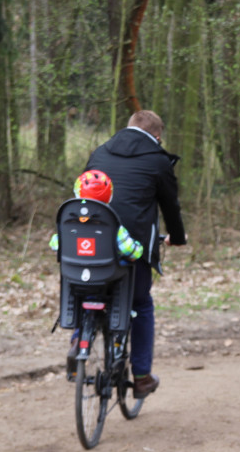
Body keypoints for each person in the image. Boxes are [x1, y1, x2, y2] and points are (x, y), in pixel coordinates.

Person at [85, 110, 188, 398]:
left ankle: (79, 342)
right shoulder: (158, 161)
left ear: (128, 127)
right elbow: (170, 207)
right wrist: (177, 238)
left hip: (89, 247)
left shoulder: (100, 152)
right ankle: (142, 377)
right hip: (132, 250)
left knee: (90, 292)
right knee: (141, 304)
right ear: (157, 136)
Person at [52, 170, 145, 380]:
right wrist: (139, 249)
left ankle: (78, 339)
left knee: (77, 288)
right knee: (126, 269)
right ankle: (117, 342)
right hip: (107, 278)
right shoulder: (113, 224)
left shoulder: (69, 222)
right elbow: (130, 251)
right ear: (109, 196)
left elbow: (56, 245)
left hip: (77, 278)